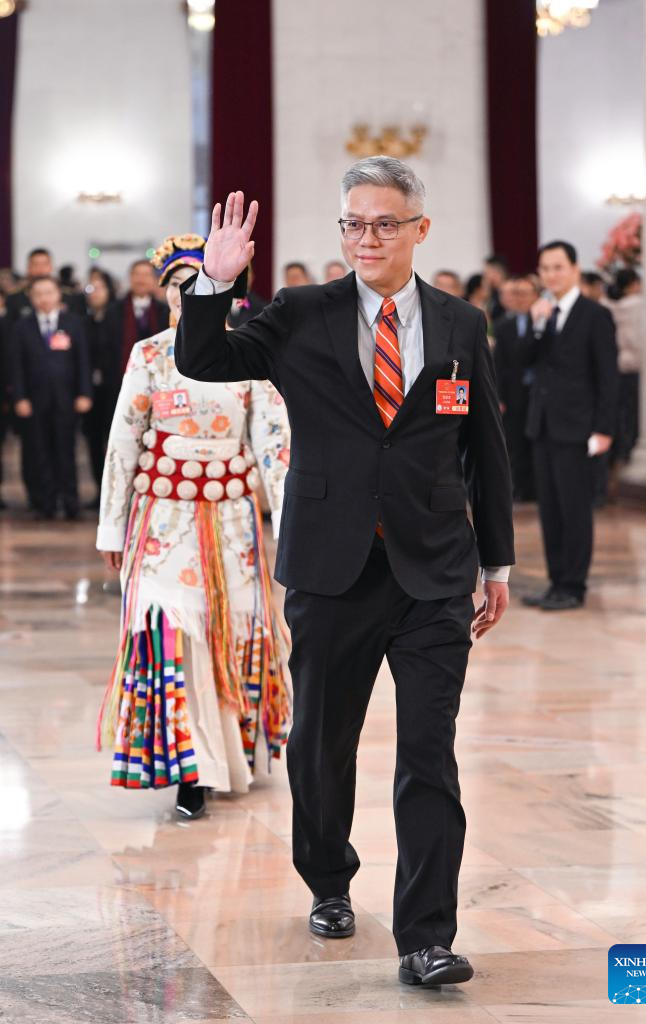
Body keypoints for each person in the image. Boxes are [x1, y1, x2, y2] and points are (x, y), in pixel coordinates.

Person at [176, 156, 514, 986]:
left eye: (384, 223)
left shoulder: (461, 325)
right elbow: (203, 362)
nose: (367, 237)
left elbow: (486, 450)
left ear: (419, 230)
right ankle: (329, 879)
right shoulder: (300, 314)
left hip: (433, 570)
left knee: (430, 755)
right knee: (322, 746)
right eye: (353, 223)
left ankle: (426, 935)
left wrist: (497, 561)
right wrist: (214, 286)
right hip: (332, 569)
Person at [96, 234, 291, 821]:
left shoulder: (254, 356)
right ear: (166, 294)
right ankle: (190, 770)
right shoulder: (150, 356)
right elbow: (123, 441)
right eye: (178, 287)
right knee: (172, 628)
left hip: (232, 521)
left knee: (229, 630)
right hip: (164, 519)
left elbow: (276, 449)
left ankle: (232, 755)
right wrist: (112, 527)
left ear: (228, 291)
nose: (187, 296)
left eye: (200, 285)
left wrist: (289, 525)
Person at [522, 240, 618, 611]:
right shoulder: (542, 313)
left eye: (558, 267)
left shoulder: (595, 315)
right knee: (550, 509)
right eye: (545, 268)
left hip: (579, 428)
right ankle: (556, 581)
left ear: (575, 270)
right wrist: (536, 325)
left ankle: (573, 586)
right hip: (542, 426)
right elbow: (526, 365)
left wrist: (605, 428)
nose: (551, 275)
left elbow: (607, 377)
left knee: (574, 509)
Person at [9, 276, 92, 519]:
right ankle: (45, 503)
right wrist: (20, 397)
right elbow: (16, 366)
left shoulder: (73, 323)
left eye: (48, 292)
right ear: (31, 298)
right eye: (38, 293)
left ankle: (70, 502)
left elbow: (83, 361)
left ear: (58, 295)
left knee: (66, 451)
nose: (44, 298)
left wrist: (84, 393)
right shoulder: (22, 326)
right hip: (34, 401)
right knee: (39, 452)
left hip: (66, 399)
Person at [102, 258, 168, 427]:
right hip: (120, 380)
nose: (141, 279)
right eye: (137, 274)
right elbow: (106, 348)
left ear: (154, 280)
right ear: (130, 278)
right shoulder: (113, 310)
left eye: (146, 275)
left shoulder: (164, 311)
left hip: (157, 381)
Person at [493, 276, 539, 501]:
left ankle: (537, 489)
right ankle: (519, 489)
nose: (521, 299)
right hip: (513, 394)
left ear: (536, 296)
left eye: (526, 293)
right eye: (517, 293)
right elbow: (499, 365)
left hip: (538, 393)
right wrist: (499, 396)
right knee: (515, 444)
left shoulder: (543, 321)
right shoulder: (504, 325)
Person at [81, 268, 117, 501]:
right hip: (90, 390)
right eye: (90, 288)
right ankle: (99, 490)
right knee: (93, 440)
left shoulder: (117, 317)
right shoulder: (82, 320)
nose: (94, 293)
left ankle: (114, 491)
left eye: (99, 287)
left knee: (113, 440)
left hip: (113, 389)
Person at [608, 268, 642, 491]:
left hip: (617, 368)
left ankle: (616, 466)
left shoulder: (611, 307)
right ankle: (622, 460)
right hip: (632, 368)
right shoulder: (638, 306)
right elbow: (637, 341)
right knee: (630, 420)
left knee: (621, 419)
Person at [483, 254, 509, 321]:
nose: (485, 276)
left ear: (496, 272)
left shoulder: (510, 291)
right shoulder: (493, 293)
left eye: (487, 272)